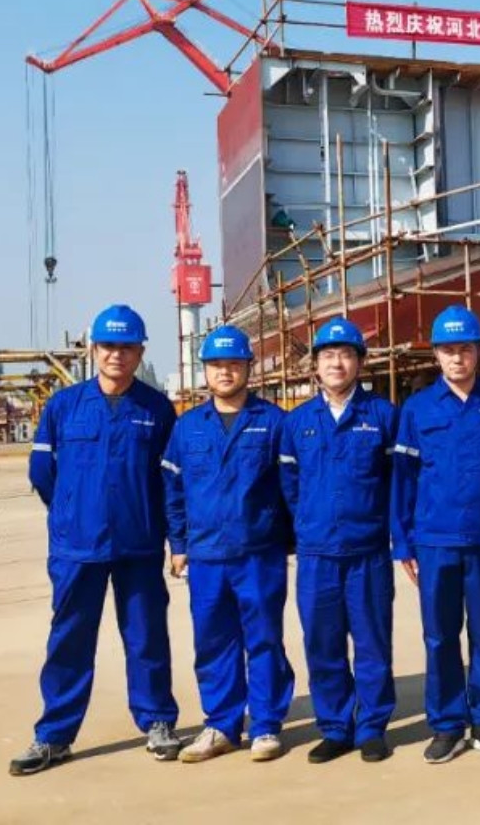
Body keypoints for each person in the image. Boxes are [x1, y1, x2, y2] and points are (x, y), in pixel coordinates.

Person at [10, 304, 181, 776]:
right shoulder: (63, 406)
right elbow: (42, 472)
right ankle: (54, 735)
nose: (116, 355)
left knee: (146, 636)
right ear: (93, 350)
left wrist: (173, 538)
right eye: (108, 346)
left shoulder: (157, 409)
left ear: (140, 352)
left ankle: (158, 721)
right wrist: (70, 510)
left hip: (139, 544)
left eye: (126, 347)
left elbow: (169, 479)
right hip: (77, 547)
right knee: (69, 639)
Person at [162, 325, 295, 763]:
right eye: (216, 365)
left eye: (234, 364)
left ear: (248, 368)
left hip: (259, 552)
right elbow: (173, 489)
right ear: (205, 370)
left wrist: (288, 540)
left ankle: (266, 725)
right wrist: (178, 543)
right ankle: (221, 724)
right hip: (206, 555)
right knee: (213, 642)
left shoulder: (273, 422)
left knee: (264, 639)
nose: (225, 372)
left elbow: (290, 487)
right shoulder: (187, 427)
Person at [393, 305, 480, 764]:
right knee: (440, 636)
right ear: (436, 356)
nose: (457, 358)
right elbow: (403, 478)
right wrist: (402, 541)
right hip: (434, 541)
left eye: (465, 349)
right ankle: (447, 725)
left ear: (479, 352)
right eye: (448, 350)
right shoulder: (417, 409)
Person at [279, 316, 399, 764]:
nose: (336, 363)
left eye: (345, 354)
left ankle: (371, 727)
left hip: (368, 552)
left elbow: (396, 482)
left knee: (372, 644)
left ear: (359, 363)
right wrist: (310, 524)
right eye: (327, 355)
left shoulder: (383, 416)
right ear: (315, 364)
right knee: (322, 644)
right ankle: (335, 727)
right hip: (317, 555)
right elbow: (290, 486)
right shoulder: (297, 422)